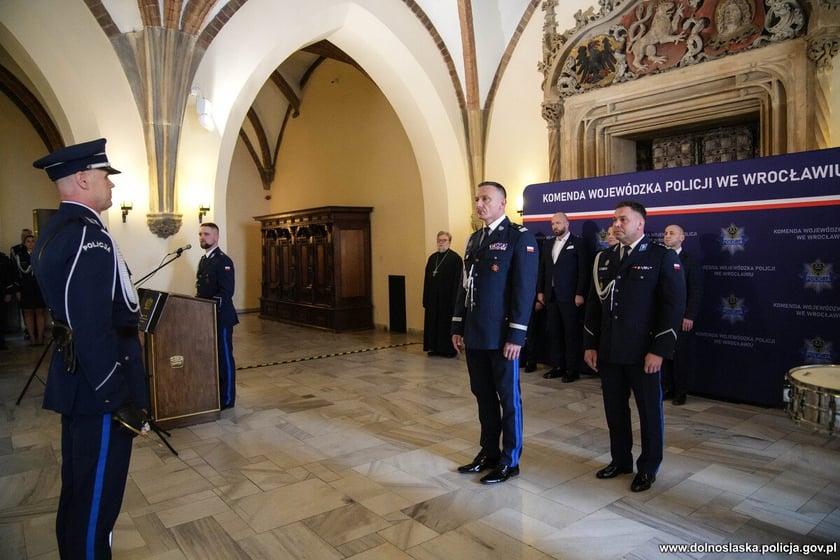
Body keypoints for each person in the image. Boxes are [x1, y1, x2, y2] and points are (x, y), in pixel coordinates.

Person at [31, 138, 150, 558]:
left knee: (81, 492)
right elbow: (92, 328)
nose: (112, 186)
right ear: (82, 178)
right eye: (105, 177)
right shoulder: (88, 238)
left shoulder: (59, 230)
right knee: (97, 500)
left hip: (80, 383)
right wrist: (118, 398)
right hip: (98, 392)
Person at [583, 201, 685, 493]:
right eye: (614, 219)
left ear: (640, 224)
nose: (616, 224)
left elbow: (673, 306)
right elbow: (594, 304)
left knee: (649, 412)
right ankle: (620, 460)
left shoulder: (660, 257)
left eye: (623, 219)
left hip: (644, 353)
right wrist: (590, 343)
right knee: (614, 410)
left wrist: (660, 349)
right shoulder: (604, 258)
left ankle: (649, 467)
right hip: (610, 350)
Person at [451, 181, 539, 484]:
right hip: (475, 334)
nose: (479, 204)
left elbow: (524, 290)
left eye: (486, 198)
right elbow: (465, 286)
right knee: (483, 396)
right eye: (477, 199)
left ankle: (509, 459)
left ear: (503, 203)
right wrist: (457, 325)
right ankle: (488, 452)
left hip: (502, 337)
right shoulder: (474, 239)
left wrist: (516, 336)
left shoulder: (518, 238)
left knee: (508, 399)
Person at [536, 212, 589, 382]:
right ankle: (558, 366)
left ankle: (572, 369)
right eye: (552, 224)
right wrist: (540, 291)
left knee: (570, 333)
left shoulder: (578, 243)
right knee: (554, 332)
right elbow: (543, 269)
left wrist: (580, 293)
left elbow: (583, 271)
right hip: (551, 296)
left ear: (567, 224)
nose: (555, 226)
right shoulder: (548, 244)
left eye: (558, 223)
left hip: (570, 297)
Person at [196, 222, 239, 409]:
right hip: (206, 317)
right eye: (200, 234)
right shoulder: (204, 260)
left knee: (224, 357)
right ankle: (215, 392)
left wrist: (206, 305)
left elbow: (226, 292)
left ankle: (227, 398)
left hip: (221, 317)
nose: (202, 237)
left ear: (216, 237)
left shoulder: (223, 261)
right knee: (211, 357)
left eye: (206, 234)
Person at [661, 224, 703, 405]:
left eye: (672, 233)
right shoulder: (660, 258)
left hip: (681, 317)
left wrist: (689, 315)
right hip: (662, 316)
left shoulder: (690, 260)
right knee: (664, 354)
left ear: (682, 238)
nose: (667, 236)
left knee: (680, 357)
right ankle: (668, 388)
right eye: (665, 233)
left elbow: (696, 291)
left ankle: (681, 392)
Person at [422, 231, 463, 357]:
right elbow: (427, 280)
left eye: (444, 240)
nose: (441, 243)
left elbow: (458, 282)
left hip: (447, 300)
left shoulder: (455, 259)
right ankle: (434, 347)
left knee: (445, 325)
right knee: (433, 323)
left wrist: (455, 302)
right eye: (439, 240)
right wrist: (425, 298)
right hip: (433, 299)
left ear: (449, 242)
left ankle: (448, 349)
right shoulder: (432, 258)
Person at [13, 233, 48, 345]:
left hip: (39, 286)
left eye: (33, 241)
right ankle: (32, 338)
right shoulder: (20, 256)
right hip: (26, 287)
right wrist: (17, 290)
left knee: (40, 311)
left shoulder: (41, 254)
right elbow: (16, 273)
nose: (31, 243)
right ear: (24, 243)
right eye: (28, 241)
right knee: (28, 312)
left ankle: (40, 338)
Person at [0, 251, 14, 350]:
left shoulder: (3, 259)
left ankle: (1, 342)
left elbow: (9, 276)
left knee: (1, 318)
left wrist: (9, 292)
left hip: (1, 293)